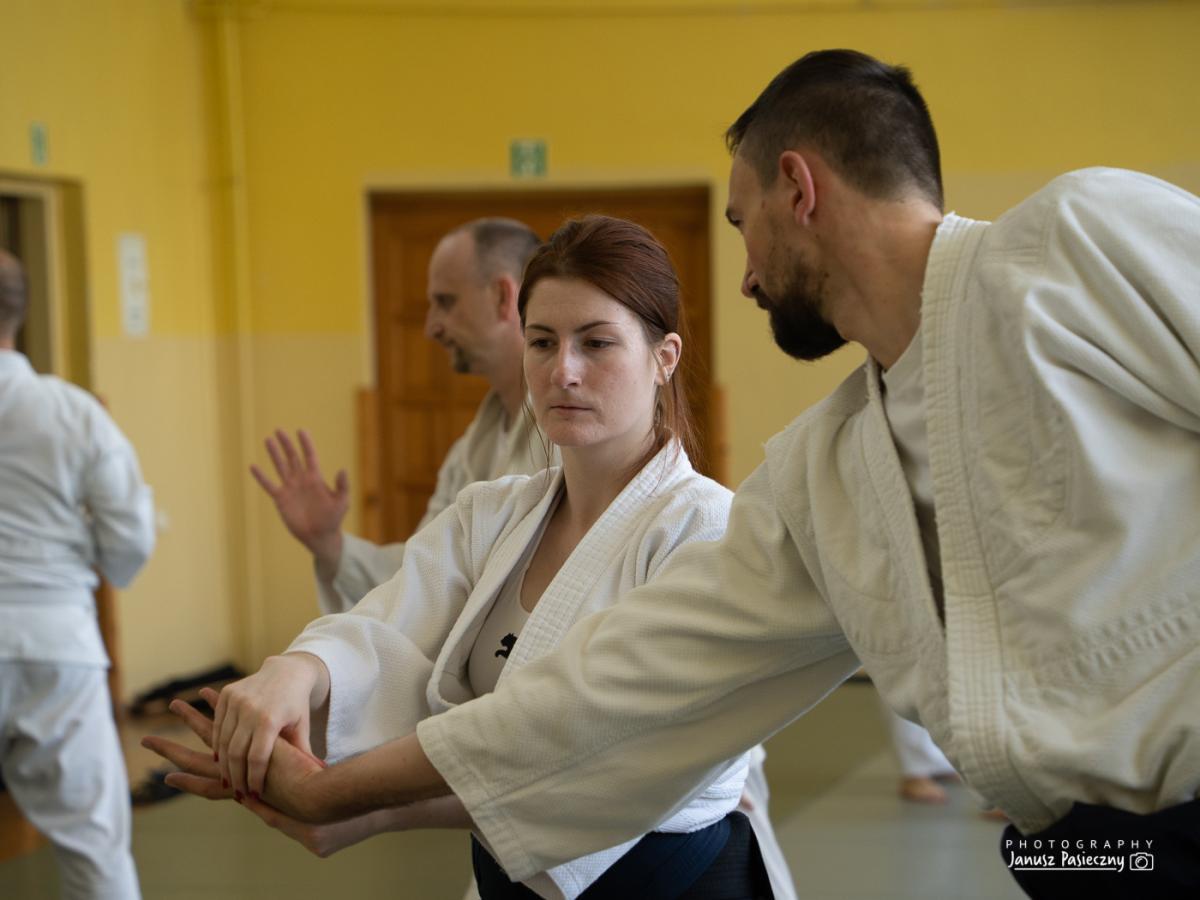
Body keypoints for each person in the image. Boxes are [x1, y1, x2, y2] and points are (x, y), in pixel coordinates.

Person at [163, 49, 1200, 898]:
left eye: (742, 223)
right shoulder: (829, 475)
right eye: (542, 343)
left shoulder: (1073, 244)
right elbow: (608, 691)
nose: (744, 277)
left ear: (798, 189)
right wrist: (343, 789)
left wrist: (346, 793)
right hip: (1076, 858)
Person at [151, 216, 786, 899]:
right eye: (542, 342)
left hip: (669, 883)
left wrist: (352, 802)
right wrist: (296, 671)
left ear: (665, 357)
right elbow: (386, 625)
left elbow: (586, 744)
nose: (563, 371)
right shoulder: (493, 513)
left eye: (596, 342)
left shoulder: (704, 528)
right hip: (512, 879)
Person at [252, 218, 547, 615]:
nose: (430, 327)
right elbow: (423, 571)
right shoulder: (472, 447)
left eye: (445, 302)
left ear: (502, 296)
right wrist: (330, 544)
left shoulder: (565, 438)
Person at [0, 250, 155, 899]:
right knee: (96, 849)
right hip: (55, 643)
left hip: (55, 633)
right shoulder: (73, 413)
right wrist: (83, 559)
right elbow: (130, 539)